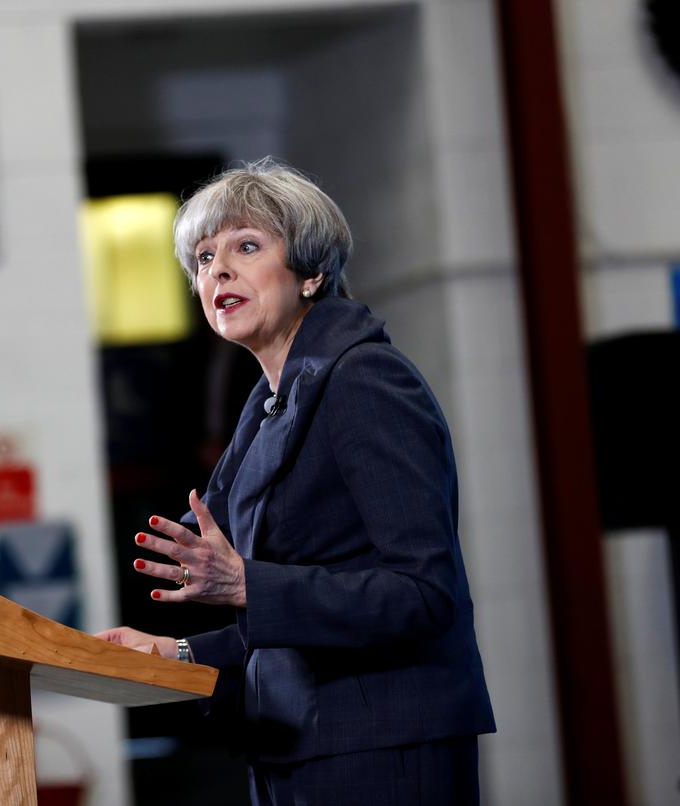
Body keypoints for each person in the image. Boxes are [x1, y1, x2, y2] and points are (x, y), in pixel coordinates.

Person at [97, 159, 496, 805]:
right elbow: (305, 607)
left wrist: (246, 583)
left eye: (245, 247)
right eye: (202, 257)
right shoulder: (273, 399)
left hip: (379, 748)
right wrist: (179, 653)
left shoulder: (363, 381)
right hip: (298, 739)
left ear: (312, 271)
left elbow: (424, 595)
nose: (216, 270)